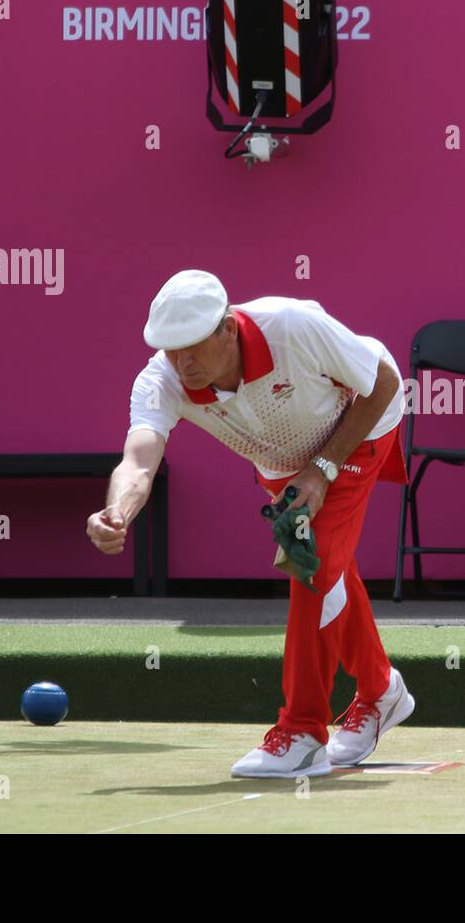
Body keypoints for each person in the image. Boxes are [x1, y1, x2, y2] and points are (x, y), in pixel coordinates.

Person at [86, 270, 415, 777]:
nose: (183, 363)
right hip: (282, 463)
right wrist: (118, 512)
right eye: (171, 350)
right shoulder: (162, 379)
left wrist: (324, 468)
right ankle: (381, 690)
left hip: (359, 425)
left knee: (311, 561)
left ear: (228, 329)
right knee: (330, 571)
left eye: (192, 348)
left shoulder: (292, 325)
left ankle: (303, 731)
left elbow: (384, 384)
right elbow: (138, 460)